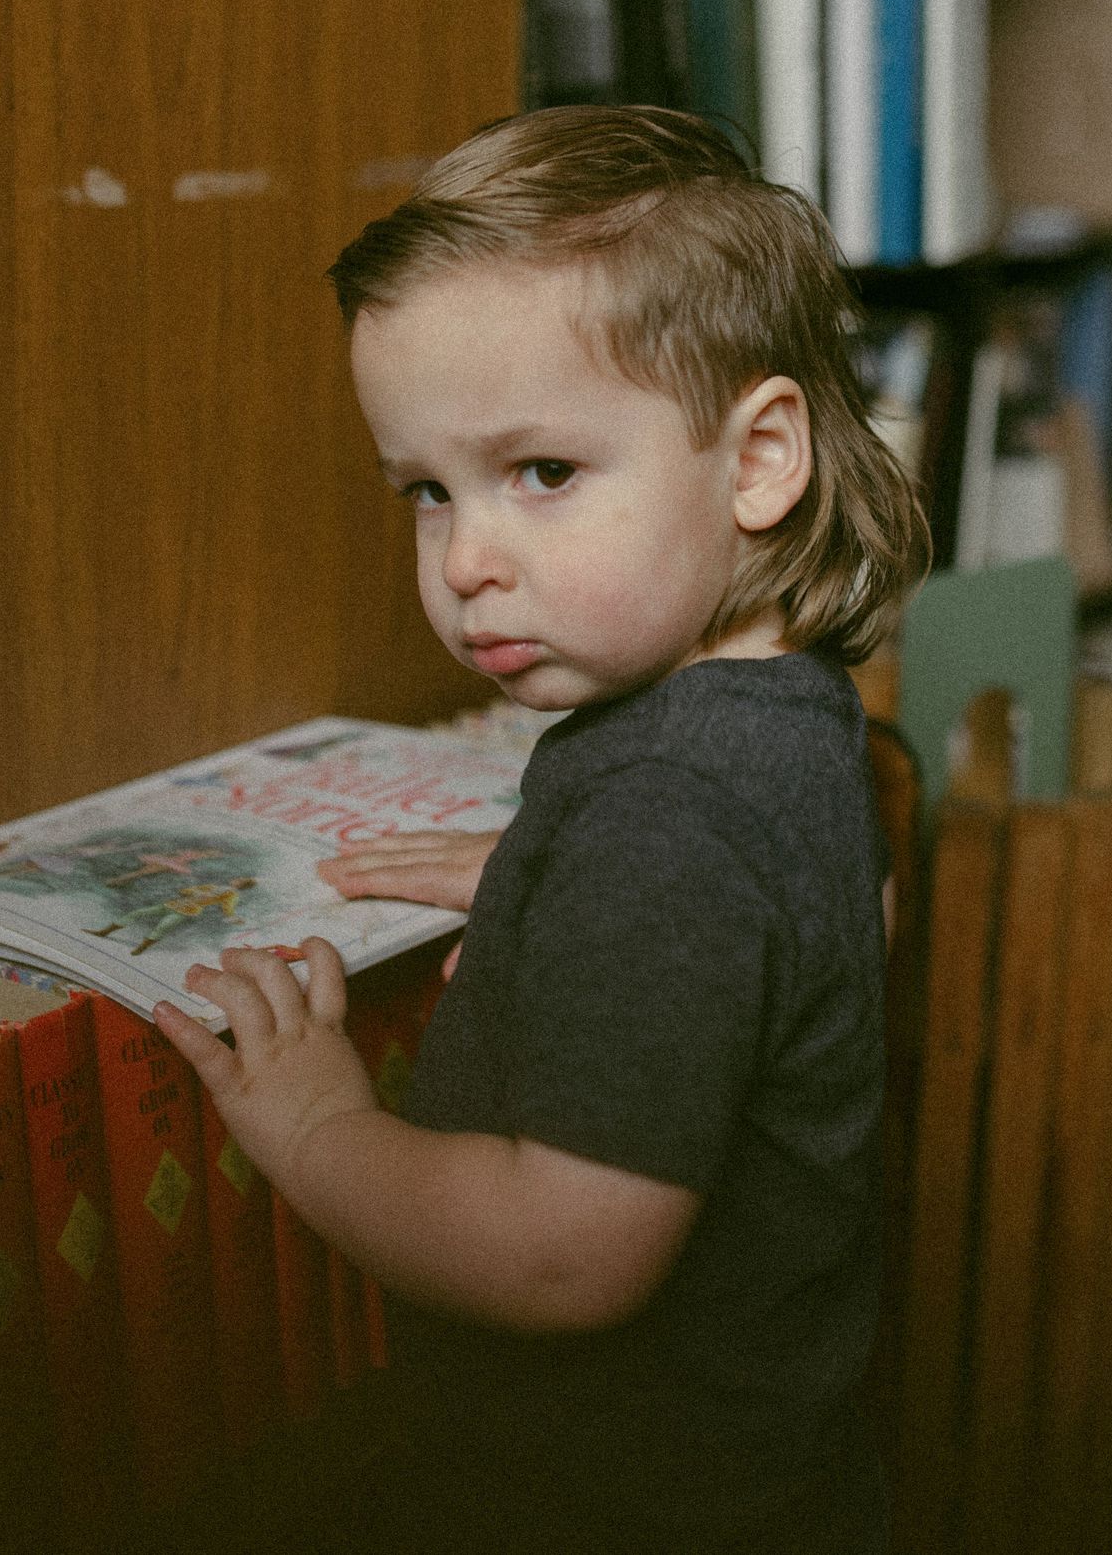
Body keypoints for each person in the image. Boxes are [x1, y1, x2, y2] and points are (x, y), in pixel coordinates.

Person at [155, 107, 927, 1553]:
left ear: (762, 459)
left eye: (543, 475)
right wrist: (549, 878)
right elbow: (825, 910)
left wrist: (319, 1121)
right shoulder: (784, 712)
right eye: (427, 492)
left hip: (614, 1506)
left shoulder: (673, 816)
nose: (466, 562)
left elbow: (568, 1254)